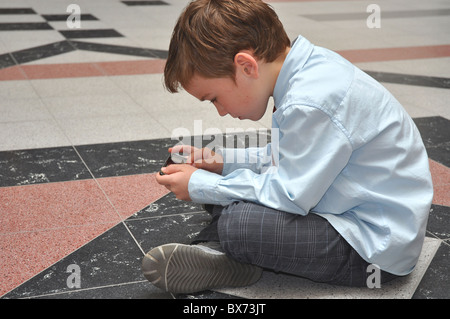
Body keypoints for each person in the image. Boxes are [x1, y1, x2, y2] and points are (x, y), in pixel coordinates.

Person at [141, 0, 433, 294]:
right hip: (338, 205)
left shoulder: (310, 102)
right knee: (220, 186)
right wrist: (222, 163)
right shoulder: (305, 71)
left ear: (246, 66)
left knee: (237, 223)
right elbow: (290, 157)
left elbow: (290, 194)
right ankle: (226, 254)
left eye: (214, 97)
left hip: (373, 250)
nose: (220, 110)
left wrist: (202, 185)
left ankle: (224, 250)